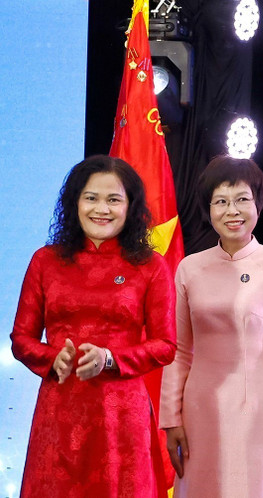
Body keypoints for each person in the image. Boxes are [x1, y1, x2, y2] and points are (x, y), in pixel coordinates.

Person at [10, 155, 176, 497]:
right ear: (75, 203)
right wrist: (51, 358)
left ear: (131, 207)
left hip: (121, 417)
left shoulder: (150, 266)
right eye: (91, 198)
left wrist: (109, 359)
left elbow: (165, 345)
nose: (102, 209)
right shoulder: (45, 261)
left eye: (114, 199)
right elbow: (22, 338)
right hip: (60, 409)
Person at [159, 155, 263, 497]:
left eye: (242, 200)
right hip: (200, 409)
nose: (232, 211)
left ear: (258, 204)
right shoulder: (189, 269)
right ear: (208, 209)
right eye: (220, 201)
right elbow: (178, 350)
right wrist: (171, 418)